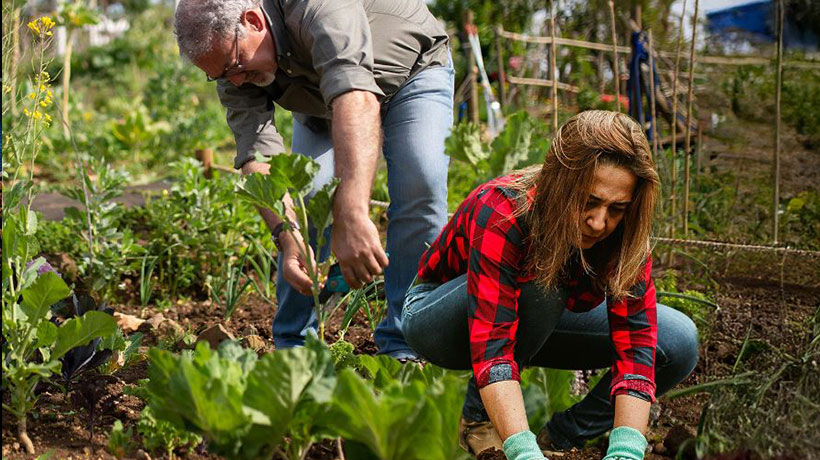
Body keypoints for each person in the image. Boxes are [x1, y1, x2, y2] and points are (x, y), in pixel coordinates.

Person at [401, 111, 699, 459]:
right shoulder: (503, 210)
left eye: (616, 208)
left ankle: (562, 436)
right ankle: (479, 421)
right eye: (589, 202)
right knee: (543, 285)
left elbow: (636, 347)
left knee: (676, 341)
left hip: (538, 317)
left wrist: (627, 449)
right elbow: (493, 344)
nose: (599, 222)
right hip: (440, 319)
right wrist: (521, 451)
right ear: (561, 185)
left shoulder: (625, 232)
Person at [173, 0, 454, 358]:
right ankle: (295, 348)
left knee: (421, 180)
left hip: (411, 72)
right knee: (308, 198)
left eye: (235, 65)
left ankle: (407, 343)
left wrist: (351, 213)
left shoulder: (316, 7)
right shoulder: (231, 65)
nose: (236, 81)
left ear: (254, 21)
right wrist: (287, 235)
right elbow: (257, 155)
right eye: (220, 75)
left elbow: (356, 97)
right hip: (322, 99)